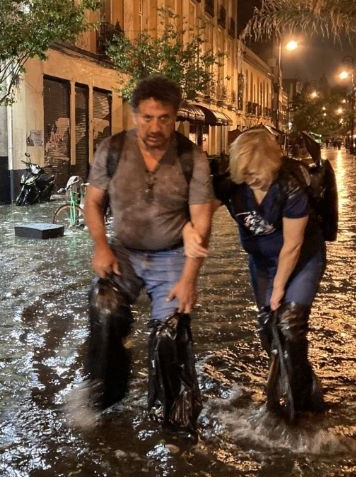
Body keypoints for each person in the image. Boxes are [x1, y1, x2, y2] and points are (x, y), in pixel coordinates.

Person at [82, 76, 215, 438]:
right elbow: (92, 202)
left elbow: (202, 223)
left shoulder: (192, 158)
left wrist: (189, 280)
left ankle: (173, 422)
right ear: (134, 115)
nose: (155, 127)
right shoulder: (111, 150)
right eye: (147, 118)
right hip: (123, 251)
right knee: (104, 308)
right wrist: (101, 246)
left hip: (172, 254)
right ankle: (106, 398)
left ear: (176, 118)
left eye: (165, 119)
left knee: (171, 336)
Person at [185, 129, 326, 419]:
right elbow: (200, 212)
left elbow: (293, 245)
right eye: (245, 174)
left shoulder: (290, 187)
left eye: (257, 174)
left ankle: (305, 402)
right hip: (262, 262)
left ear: (271, 165)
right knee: (268, 327)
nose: (252, 180)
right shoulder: (231, 185)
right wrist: (188, 229)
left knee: (290, 322)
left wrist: (278, 290)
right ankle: (291, 375)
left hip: (302, 259)